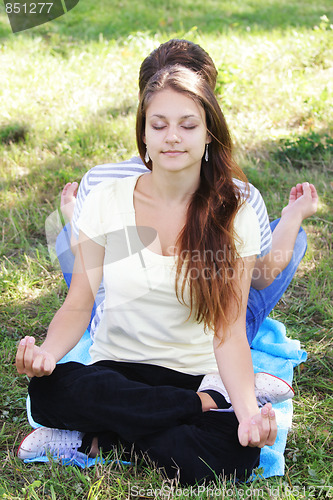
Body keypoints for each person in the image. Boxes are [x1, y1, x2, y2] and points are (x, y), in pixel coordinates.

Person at [16, 65, 279, 485]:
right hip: (116, 370)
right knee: (49, 390)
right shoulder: (105, 200)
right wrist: (48, 353)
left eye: (187, 125)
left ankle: (103, 436)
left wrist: (248, 415)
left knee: (234, 457)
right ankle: (203, 405)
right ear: (144, 135)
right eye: (159, 125)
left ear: (209, 133)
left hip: (191, 369)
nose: (172, 136)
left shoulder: (235, 213)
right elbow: (80, 301)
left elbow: (229, 331)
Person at [58, 39, 318, 345]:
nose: (173, 135)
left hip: (116, 328)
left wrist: (73, 216)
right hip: (204, 344)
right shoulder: (241, 195)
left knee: (71, 237)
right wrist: (292, 218)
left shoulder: (98, 181)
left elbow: (87, 269)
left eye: (186, 122)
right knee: (291, 235)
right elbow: (260, 278)